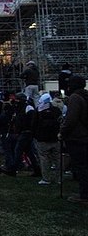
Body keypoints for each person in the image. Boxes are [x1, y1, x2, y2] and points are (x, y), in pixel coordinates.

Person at [59, 75, 88, 203]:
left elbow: (71, 120)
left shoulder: (75, 98)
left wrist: (62, 132)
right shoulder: (85, 96)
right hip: (85, 136)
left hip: (77, 137)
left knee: (81, 167)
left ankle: (84, 195)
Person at [33, 93, 61, 185]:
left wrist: (35, 135)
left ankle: (46, 178)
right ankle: (59, 178)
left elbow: (34, 124)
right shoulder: (57, 110)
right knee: (57, 159)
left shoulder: (38, 111)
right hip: (55, 138)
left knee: (44, 159)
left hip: (42, 139)